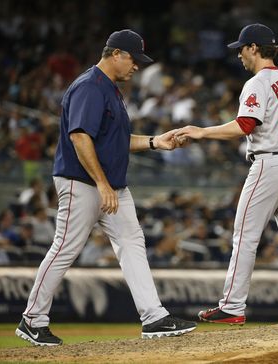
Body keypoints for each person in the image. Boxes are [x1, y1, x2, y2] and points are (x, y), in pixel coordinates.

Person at [15, 29, 196, 347]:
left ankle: (153, 317)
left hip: (109, 185)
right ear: (116, 54)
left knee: (132, 241)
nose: (137, 67)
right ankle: (32, 319)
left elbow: (114, 141)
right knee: (65, 248)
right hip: (82, 182)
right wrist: (101, 184)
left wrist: (155, 142)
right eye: (134, 59)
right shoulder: (89, 87)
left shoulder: (110, 90)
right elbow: (79, 137)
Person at [175, 23, 278, 326]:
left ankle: (232, 305)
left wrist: (201, 132)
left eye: (241, 48)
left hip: (269, 164)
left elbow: (244, 126)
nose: (238, 54)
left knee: (245, 237)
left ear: (254, 48)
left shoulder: (258, 82)